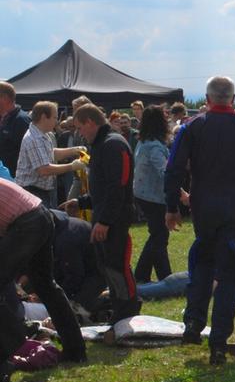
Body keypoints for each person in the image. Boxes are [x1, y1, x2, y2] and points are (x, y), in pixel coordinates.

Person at [165, 76, 235, 365]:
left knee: (201, 265)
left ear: (207, 97)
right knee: (229, 274)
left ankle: (193, 324)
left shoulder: (192, 127)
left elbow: (173, 169)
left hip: (203, 209)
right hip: (233, 210)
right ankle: (218, 341)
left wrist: (171, 206)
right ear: (234, 98)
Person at [0, 178, 86, 382]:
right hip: (40, 214)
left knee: (42, 286)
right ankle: (75, 350)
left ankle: (13, 351)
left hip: (26, 222)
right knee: (46, 286)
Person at [60, 104, 141, 322]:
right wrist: (82, 201)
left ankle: (129, 309)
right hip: (104, 215)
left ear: (90, 122)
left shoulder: (114, 144)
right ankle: (119, 307)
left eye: (80, 127)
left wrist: (104, 221)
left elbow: (118, 186)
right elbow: (102, 188)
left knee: (117, 265)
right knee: (106, 266)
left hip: (115, 218)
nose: (79, 133)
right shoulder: (101, 145)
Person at [15, 101, 88, 207]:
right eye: (54, 117)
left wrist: (73, 150)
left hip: (38, 191)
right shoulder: (34, 138)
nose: (57, 121)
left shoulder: (42, 134)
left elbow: (50, 153)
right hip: (32, 191)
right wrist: (72, 166)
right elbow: (44, 170)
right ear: (44, 117)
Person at [133, 106, 172, 283]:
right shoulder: (156, 147)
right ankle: (146, 275)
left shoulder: (142, 143)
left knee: (158, 235)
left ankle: (160, 274)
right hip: (154, 197)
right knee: (159, 236)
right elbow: (164, 173)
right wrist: (179, 192)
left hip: (141, 194)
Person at [0, 81, 30, 178]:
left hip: (15, 180)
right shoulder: (3, 119)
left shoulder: (22, 120)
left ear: (5, 98)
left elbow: (28, 153)